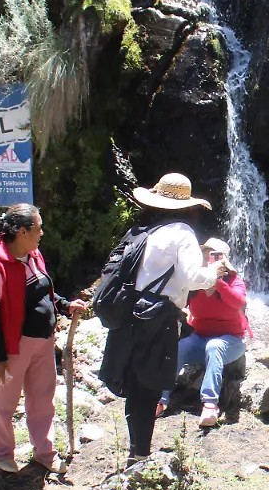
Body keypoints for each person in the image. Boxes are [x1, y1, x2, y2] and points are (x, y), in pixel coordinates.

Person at [98, 173, 228, 463]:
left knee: (134, 384)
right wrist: (214, 274)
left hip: (130, 310)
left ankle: (136, 447)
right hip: (157, 318)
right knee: (149, 385)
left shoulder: (144, 229)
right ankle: (140, 455)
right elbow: (192, 277)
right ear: (188, 206)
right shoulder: (181, 232)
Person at [0, 203, 87, 475]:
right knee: (4, 403)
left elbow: (44, 291)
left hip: (43, 341)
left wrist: (64, 305)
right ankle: (1, 453)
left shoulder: (33, 254)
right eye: (38, 228)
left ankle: (45, 452)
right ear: (22, 231)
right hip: (13, 346)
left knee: (42, 399)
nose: (42, 233)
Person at [157, 237, 252, 427]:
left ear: (224, 260)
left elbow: (239, 303)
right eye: (206, 255)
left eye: (215, 256)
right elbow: (177, 301)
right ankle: (160, 399)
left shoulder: (234, 281)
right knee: (179, 348)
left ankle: (210, 404)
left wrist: (217, 282)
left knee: (215, 346)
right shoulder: (194, 285)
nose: (210, 259)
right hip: (200, 338)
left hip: (232, 340)